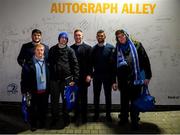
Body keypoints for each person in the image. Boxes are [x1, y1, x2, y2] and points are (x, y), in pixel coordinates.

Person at [112, 29, 152, 129]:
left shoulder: (137, 46)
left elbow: (146, 60)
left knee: (135, 101)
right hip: (123, 80)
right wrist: (114, 81)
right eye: (118, 37)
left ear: (126, 35)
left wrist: (148, 76)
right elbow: (113, 66)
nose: (121, 38)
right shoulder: (117, 48)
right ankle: (124, 119)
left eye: (122, 36)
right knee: (124, 101)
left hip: (136, 79)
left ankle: (135, 120)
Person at [48, 32, 79, 128]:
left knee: (66, 101)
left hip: (66, 80)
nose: (64, 39)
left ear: (67, 40)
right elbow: (49, 63)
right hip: (54, 80)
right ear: (59, 39)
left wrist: (75, 79)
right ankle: (55, 118)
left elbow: (75, 65)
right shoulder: (52, 49)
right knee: (54, 100)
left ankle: (66, 118)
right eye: (62, 38)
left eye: (65, 38)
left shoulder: (70, 50)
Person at [21, 44, 49, 131]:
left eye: (41, 50)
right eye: (38, 50)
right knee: (33, 109)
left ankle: (42, 123)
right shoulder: (28, 63)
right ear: (34, 51)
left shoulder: (48, 62)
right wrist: (24, 90)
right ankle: (33, 124)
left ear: (44, 51)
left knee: (43, 108)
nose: (40, 52)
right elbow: (24, 78)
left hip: (45, 90)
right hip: (33, 90)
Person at [91, 30, 115, 122]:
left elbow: (113, 66)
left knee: (108, 96)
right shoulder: (94, 49)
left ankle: (108, 115)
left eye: (101, 36)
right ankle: (96, 114)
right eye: (98, 36)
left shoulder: (111, 48)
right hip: (97, 76)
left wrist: (113, 81)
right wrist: (92, 74)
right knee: (96, 96)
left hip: (107, 77)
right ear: (96, 37)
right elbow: (91, 64)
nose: (100, 37)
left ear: (105, 37)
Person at [70, 29, 92, 124]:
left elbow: (90, 64)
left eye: (79, 35)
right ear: (74, 36)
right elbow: (70, 64)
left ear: (82, 36)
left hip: (84, 77)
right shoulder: (70, 48)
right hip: (74, 78)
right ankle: (75, 115)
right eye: (76, 35)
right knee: (75, 98)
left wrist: (89, 75)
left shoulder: (88, 48)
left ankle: (84, 117)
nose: (78, 37)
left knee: (84, 98)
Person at [17, 29, 49, 94]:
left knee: (42, 99)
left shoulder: (45, 47)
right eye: (35, 35)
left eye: (38, 35)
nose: (36, 37)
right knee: (30, 100)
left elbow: (47, 60)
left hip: (41, 78)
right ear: (32, 36)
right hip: (28, 77)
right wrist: (25, 67)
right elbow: (20, 59)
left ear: (41, 36)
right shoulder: (25, 46)